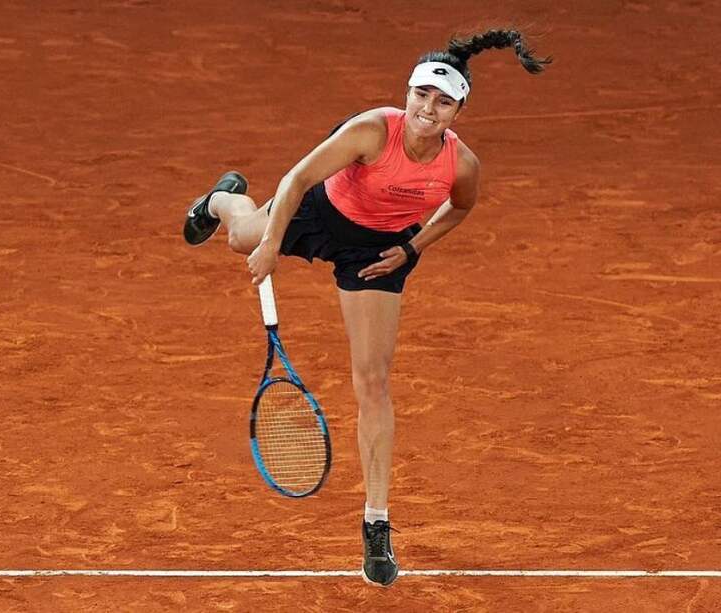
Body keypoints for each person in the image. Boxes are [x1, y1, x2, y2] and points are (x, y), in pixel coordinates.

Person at [183, 29, 550, 587]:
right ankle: (222, 199)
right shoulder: (371, 131)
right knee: (241, 235)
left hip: (377, 251)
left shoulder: (462, 165)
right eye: (423, 95)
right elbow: (297, 177)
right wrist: (269, 246)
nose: (430, 109)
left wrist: (410, 247)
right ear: (409, 94)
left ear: (458, 110)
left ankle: (376, 526)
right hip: (318, 211)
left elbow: (459, 209)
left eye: (444, 102)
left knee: (373, 382)